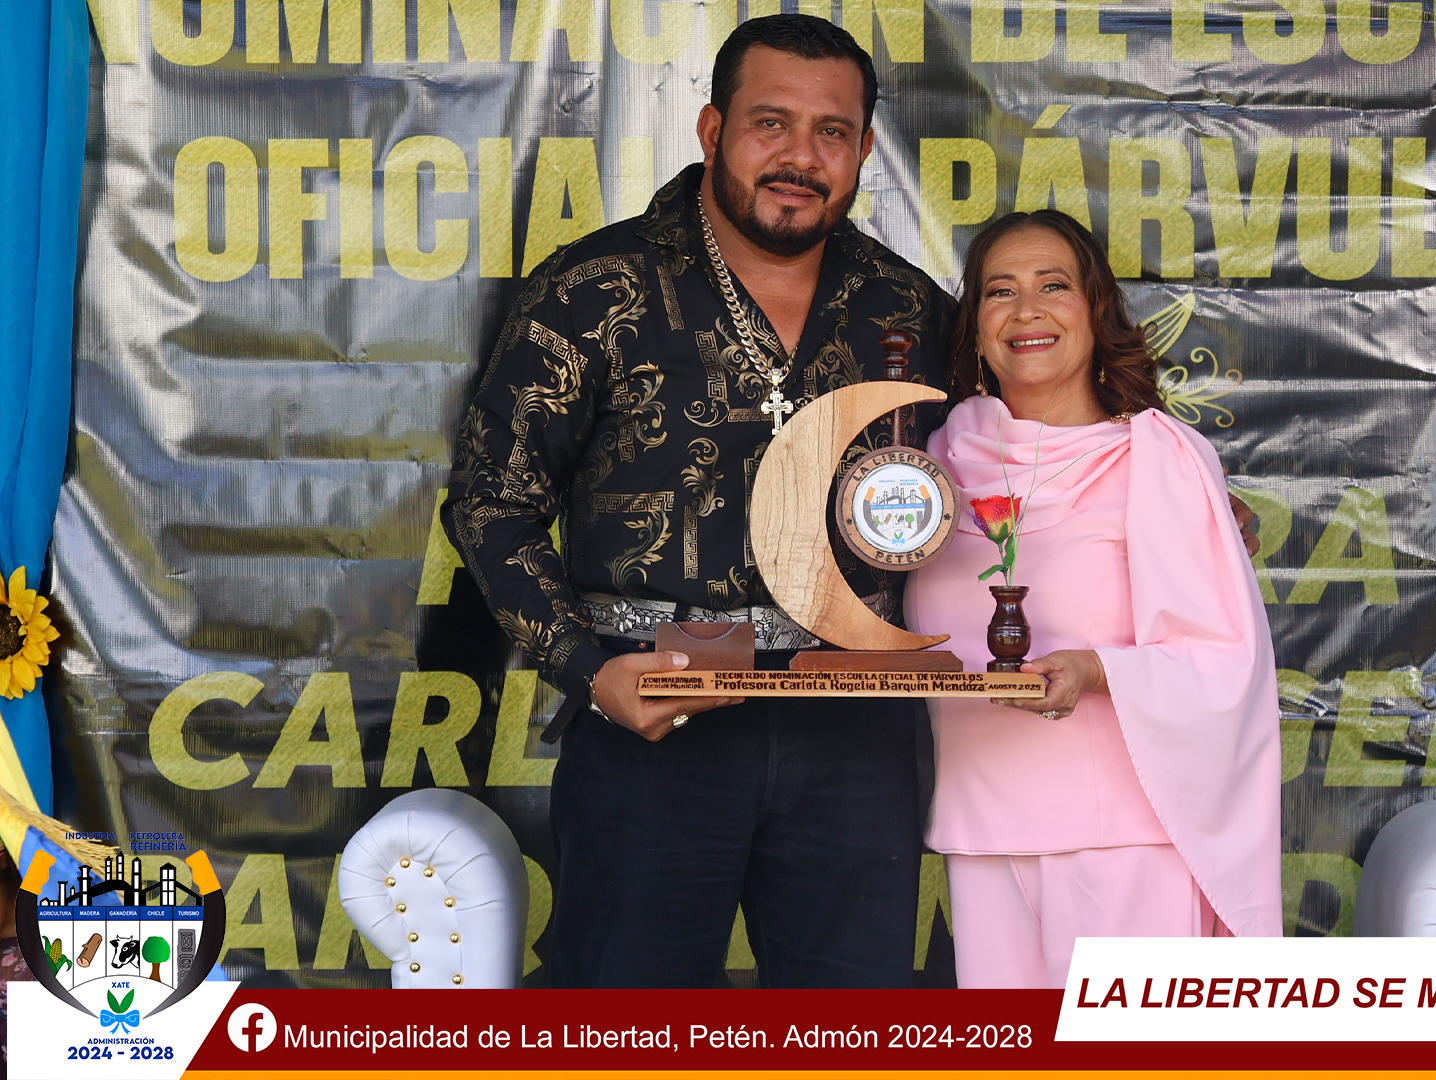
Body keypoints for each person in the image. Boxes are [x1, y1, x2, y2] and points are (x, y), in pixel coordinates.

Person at [443, 15, 950, 988]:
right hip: (654, 713)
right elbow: (490, 502)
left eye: (832, 132)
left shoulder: (906, 305)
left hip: (855, 725)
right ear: (714, 130)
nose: (800, 156)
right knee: (628, 1026)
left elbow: (1014, 464)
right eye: (771, 123)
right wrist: (590, 671)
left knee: (856, 1032)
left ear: (863, 153)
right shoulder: (595, 289)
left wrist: (1169, 502)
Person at [903, 210, 1283, 989]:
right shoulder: (931, 465)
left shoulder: (1157, 458)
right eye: (1000, 291)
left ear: (1096, 309)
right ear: (975, 328)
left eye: (1054, 286)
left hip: (1126, 837)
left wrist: (1093, 670)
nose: (1027, 310)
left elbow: (1224, 662)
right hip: (981, 827)